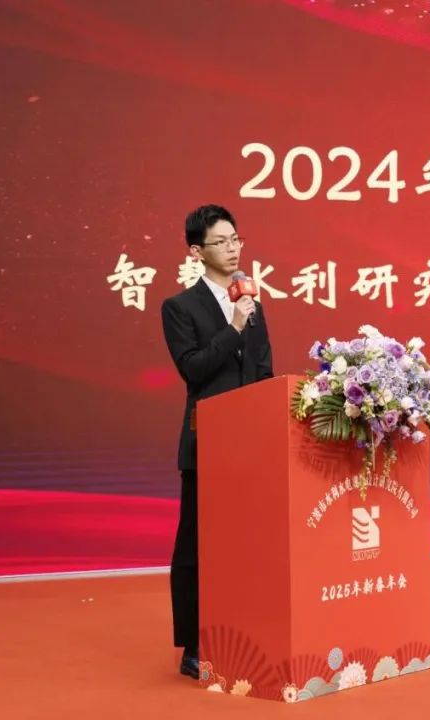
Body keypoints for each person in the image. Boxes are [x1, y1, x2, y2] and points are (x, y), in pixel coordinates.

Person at [160, 205, 274, 678]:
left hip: (252, 445)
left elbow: (263, 369)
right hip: (206, 444)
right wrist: (233, 327)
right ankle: (193, 644)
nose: (232, 249)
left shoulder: (252, 301)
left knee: (248, 542)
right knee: (196, 545)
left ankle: (244, 627)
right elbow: (194, 369)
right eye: (221, 242)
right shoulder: (180, 307)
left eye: (235, 239)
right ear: (197, 251)